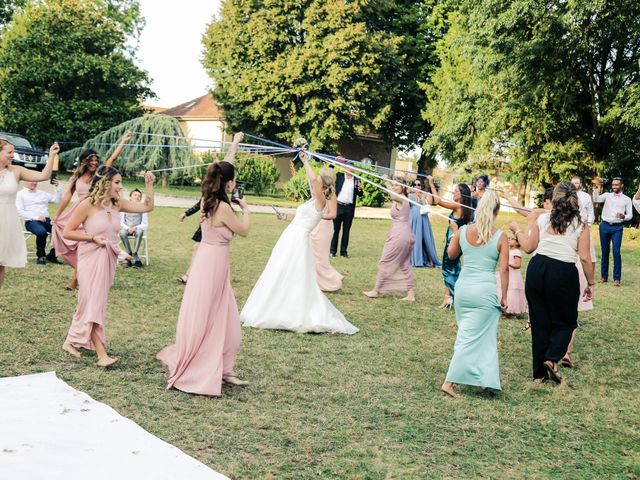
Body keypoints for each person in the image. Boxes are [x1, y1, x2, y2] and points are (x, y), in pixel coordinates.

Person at [157, 159, 251, 395]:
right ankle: (204, 367)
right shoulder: (223, 208)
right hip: (212, 264)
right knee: (210, 316)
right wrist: (247, 209)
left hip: (208, 262)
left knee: (222, 316)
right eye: (234, 180)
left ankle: (224, 369)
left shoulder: (206, 202)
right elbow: (244, 231)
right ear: (228, 183)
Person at [241, 152, 358, 334]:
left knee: (291, 272)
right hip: (289, 236)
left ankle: (287, 309)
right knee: (279, 269)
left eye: (318, 179)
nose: (314, 181)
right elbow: (300, 217)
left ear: (322, 183)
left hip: (298, 240)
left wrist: (305, 161)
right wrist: (284, 216)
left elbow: (312, 182)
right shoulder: (314, 199)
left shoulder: (321, 200)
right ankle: (275, 305)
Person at [62, 166, 155, 367]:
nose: (120, 187)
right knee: (93, 302)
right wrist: (92, 237)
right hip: (89, 258)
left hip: (108, 259)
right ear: (105, 182)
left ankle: (71, 340)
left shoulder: (117, 204)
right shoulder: (87, 204)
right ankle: (101, 355)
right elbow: (67, 232)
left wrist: (149, 185)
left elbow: (147, 208)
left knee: (92, 302)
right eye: (117, 182)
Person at [511, 182, 595, 384]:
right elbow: (584, 258)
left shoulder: (543, 219)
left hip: (537, 269)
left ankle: (538, 375)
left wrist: (516, 230)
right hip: (562, 272)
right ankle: (551, 357)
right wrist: (590, 283)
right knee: (567, 321)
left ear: (555, 198)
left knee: (539, 322)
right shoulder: (580, 225)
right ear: (575, 199)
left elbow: (529, 247)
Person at [441, 191, 509, 398]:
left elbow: (451, 255)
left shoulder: (463, 230)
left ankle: (485, 380)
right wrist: (504, 296)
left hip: (464, 289)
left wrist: (455, 233)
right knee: (470, 337)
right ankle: (449, 382)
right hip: (485, 291)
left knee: (481, 336)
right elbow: (504, 270)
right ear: (497, 211)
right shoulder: (500, 236)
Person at [53, 131, 133, 290]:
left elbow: (112, 159)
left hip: (93, 212)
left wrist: (123, 141)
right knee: (71, 241)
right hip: (78, 211)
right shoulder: (77, 177)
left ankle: (77, 280)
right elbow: (68, 195)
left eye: (96, 160)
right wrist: (57, 214)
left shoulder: (100, 174)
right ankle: (82, 276)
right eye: (91, 160)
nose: (94, 163)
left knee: (86, 245)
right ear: (84, 161)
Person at [177, 132, 244, 284]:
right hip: (213, 238)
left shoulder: (211, 193)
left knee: (198, 248)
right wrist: (234, 143)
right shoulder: (215, 200)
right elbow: (228, 162)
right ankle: (190, 274)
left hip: (214, 243)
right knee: (198, 248)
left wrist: (234, 143)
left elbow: (227, 163)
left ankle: (190, 275)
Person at [0, 138, 58, 288]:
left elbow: (43, 176)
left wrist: (51, 155)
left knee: (0, 264)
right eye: (10, 152)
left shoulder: (16, 171)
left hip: (6, 221)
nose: (13, 155)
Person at [363, 180, 416, 301]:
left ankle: (376, 290)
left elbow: (392, 194)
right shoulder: (401, 199)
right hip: (403, 234)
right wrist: (388, 182)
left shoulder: (401, 198)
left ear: (403, 187)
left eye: (397, 184)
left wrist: (386, 181)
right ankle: (410, 294)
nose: (394, 186)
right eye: (393, 184)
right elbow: (392, 194)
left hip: (400, 235)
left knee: (385, 261)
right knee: (404, 264)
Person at [426, 176, 473, 309]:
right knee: (452, 267)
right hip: (457, 239)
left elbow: (438, 201)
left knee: (448, 267)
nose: (453, 193)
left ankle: (456, 296)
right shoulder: (466, 207)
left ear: (461, 195)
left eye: (455, 191)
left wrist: (431, 183)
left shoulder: (457, 205)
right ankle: (448, 298)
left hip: (453, 239)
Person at [592, 177, 632, 286]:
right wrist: (595, 187)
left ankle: (617, 279)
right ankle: (604, 277)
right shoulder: (606, 195)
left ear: (621, 185)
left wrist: (624, 216)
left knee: (616, 252)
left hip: (617, 228)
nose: (614, 187)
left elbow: (630, 215)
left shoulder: (627, 199)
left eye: (616, 185)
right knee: (605, 252)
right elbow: (596, 199)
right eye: (613, 185)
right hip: (604, 226)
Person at [309, 168, 343, 291]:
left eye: (319, 176)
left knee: (321, 258)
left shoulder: (330, 193)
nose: (317, 178)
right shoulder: (319, 192)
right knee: (312, 256)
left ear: (324, 178)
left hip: (324, 228)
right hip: (315, 226)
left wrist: (320, 216)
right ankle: (316, 281)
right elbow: (311, 180)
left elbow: (333, 214)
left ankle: (333, 281)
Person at [16, 179, 63, 265]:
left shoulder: (42, 193)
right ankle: (41, 256)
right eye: (32, 181)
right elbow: (20, 212)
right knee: (42, 232)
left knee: (61, 231)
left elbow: (57, 200)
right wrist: (36, 217)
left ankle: (52, 255)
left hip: (46, 220)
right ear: (25, 181)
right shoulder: (20, 194)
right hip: (31, 221)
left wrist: (57, 188)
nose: (34, 183)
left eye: (36, 181)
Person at [330, 158, 364, 258]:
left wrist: (360, 189)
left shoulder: (357, 180)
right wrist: (334, 162)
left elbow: (360, 194)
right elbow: (329, 176)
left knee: (346, 231)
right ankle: (332, 251)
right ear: (344, 167)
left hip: (349, 209)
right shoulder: (339, 176)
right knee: (335, 230)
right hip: (338, 206)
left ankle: (343, 252)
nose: (350, 169)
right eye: (348, 167)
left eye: (352, 167)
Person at [408, 179, 441, 268]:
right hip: (413, 220)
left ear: (421, 186)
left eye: (418, 184)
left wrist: (421, 197)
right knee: (413, 239)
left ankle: (431, 260)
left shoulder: (427, 195)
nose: (416, 186)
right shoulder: (409, 195)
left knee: (425, 239)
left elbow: (428, 206)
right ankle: (413, 258)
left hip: (423, 220)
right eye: (414, 184)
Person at [496, 234, 526, 315]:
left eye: (512, 239)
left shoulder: (517, 252)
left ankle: (511, 309)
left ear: (517, 243)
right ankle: (502, 308)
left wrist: (508, 264)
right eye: (508, 238)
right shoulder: (507, 251)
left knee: (511, 291)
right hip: (505, 273)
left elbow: (518, 265)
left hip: (513, 275)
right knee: (502, 288)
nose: (509, 240)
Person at [119, 188, 148, 268]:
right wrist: (128, 228)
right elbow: (120, 222)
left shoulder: (143, 208)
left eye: (139, 196)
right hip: (126, 228)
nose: (137, 197)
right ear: (130, 197)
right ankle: (128, 254)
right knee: (122, 232)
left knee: (140, 232)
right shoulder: (124, 207)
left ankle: (134, 253)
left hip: (137, 228)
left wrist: (135, 227)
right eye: (135, 195)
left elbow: (145, 224)